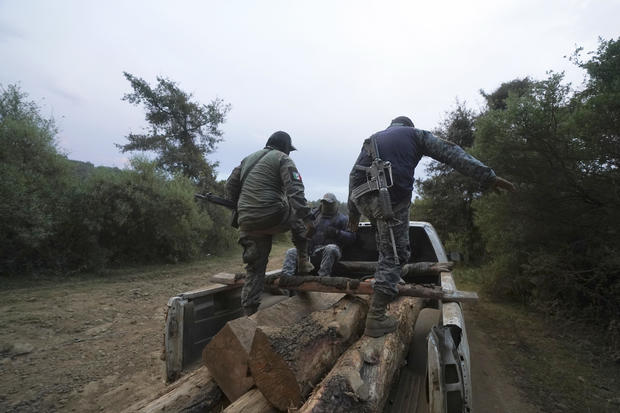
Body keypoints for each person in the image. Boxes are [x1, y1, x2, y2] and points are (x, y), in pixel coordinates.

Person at [348, 116, 515, 337]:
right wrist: (487, 176)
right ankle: (376, 319)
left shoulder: (373, 139)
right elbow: (451, 152)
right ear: (409, 126)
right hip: (389, 196)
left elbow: (353, 175)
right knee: (396, 255)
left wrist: (353, 214)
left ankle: (388, 279)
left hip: (361, 198)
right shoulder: (416, 135)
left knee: (385, 242)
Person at [226, 131, 315, 316]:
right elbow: (295, 191)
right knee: (297, 212)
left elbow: (230, 186)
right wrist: (308, 219)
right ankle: (303, 260)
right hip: (271, 214)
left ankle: (249, 315)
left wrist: (243, 207)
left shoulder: (247, 159)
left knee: (255, 271)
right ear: (285, 147)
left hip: (247, 222)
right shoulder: (283, 158)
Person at [282, 193, 356, 277]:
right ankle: (286, 280)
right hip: (312, 251)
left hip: (331, 252)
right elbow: (301, 228)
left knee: (330, 248)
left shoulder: (343, 219)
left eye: (329, 203)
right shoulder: (314, 216)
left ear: (335, 204)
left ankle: (323, 278)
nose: (327, 205)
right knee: (291, 252)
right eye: (325, 203)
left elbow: (352, 237)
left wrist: (337, 233)